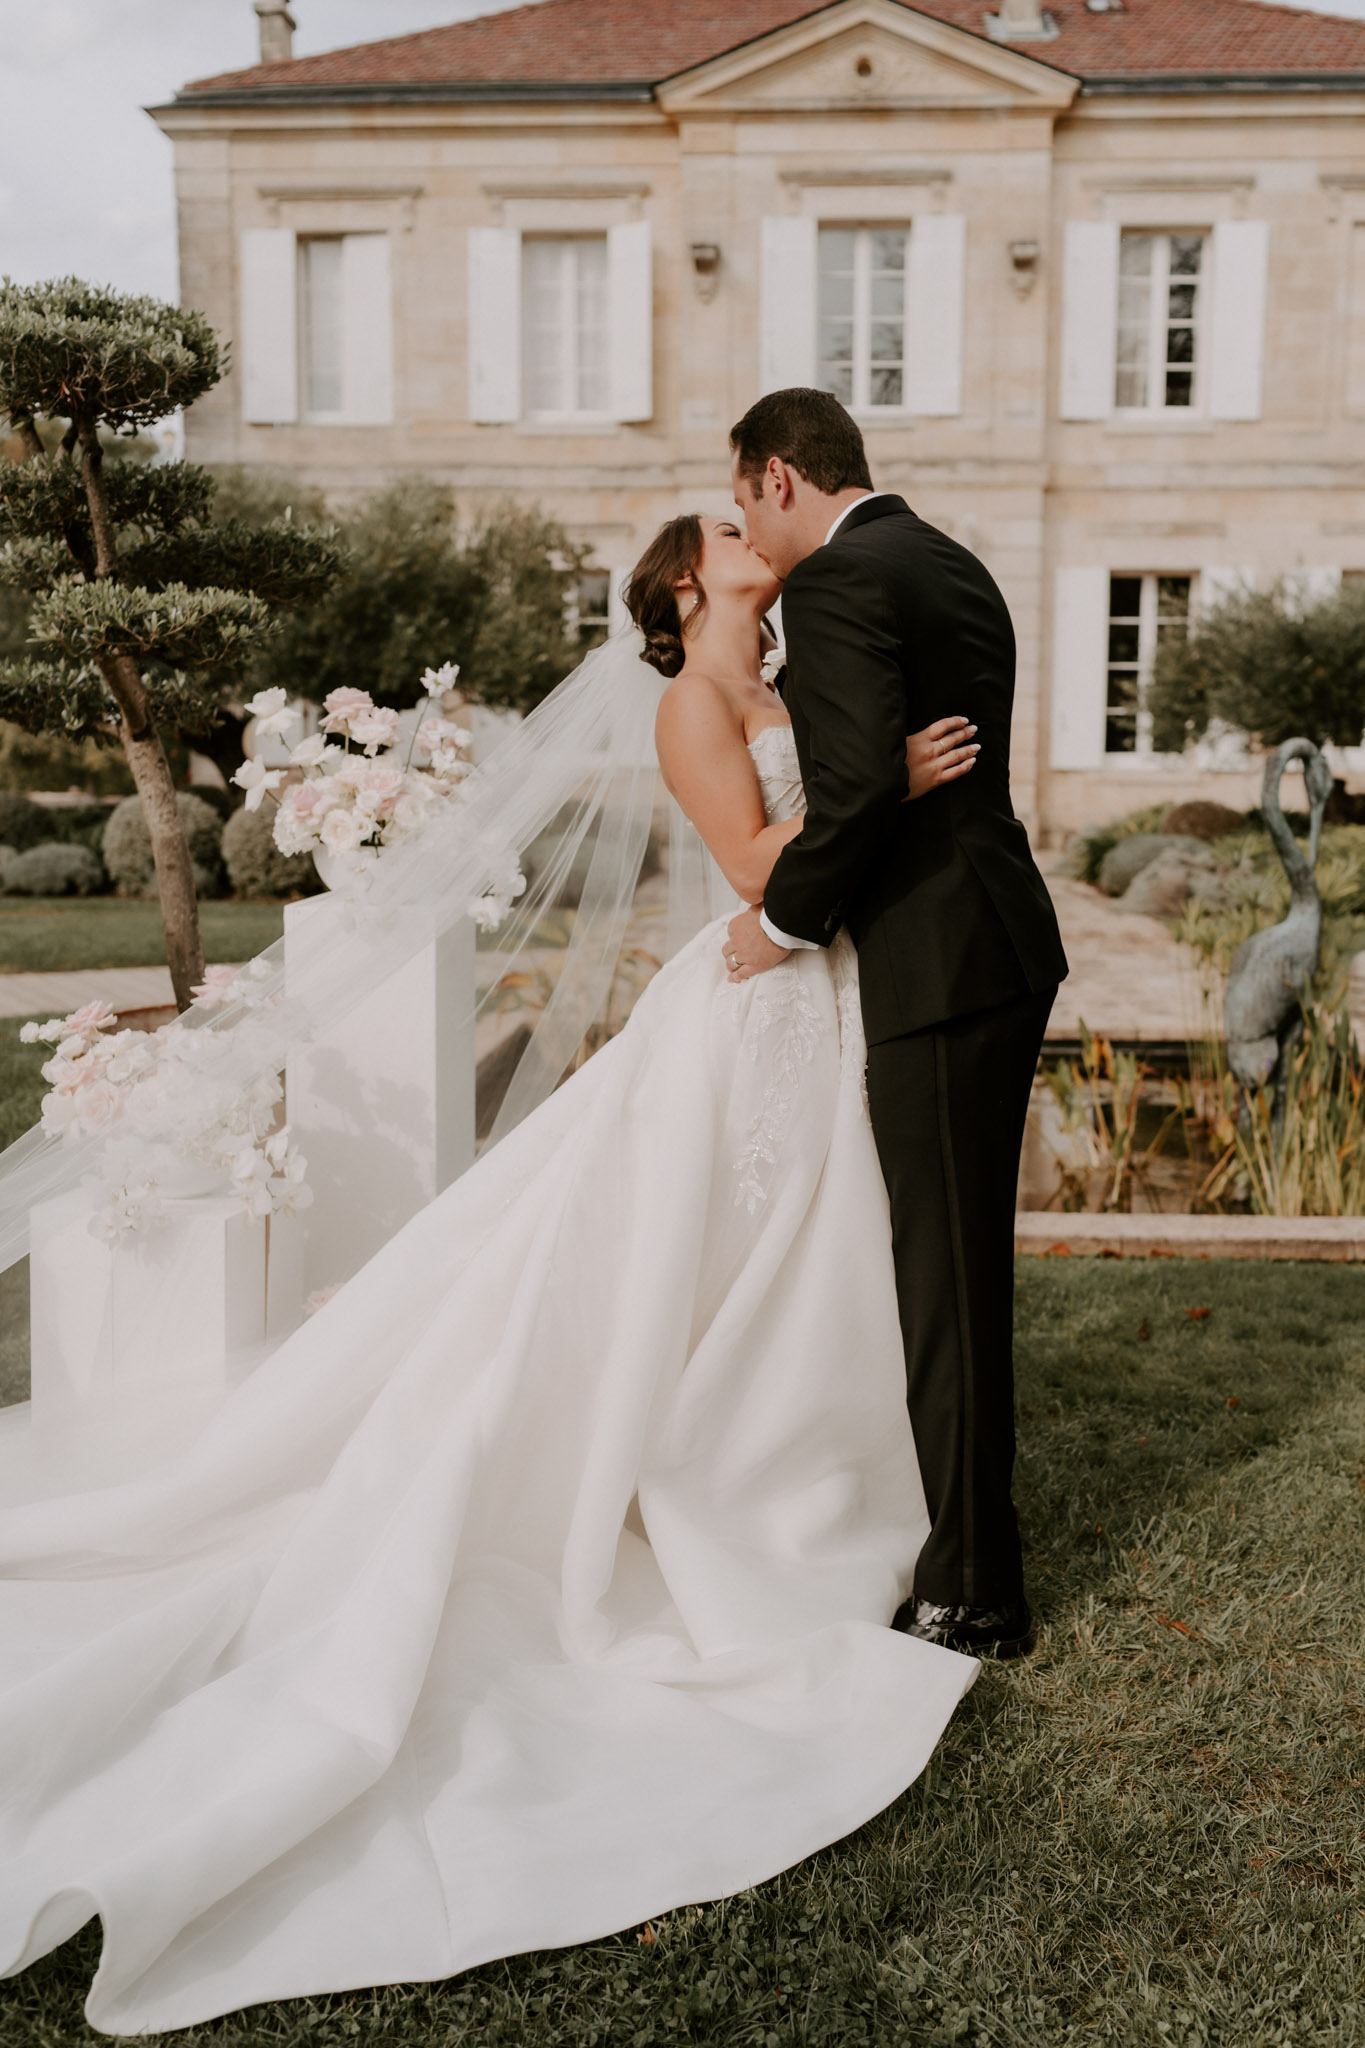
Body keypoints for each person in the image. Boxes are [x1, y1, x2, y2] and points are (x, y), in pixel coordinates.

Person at [0, 514, 982, 2037]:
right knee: (673, 1266)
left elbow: (832, 849)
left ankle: (799, 1467)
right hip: (742, 1010)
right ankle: (693, 1478)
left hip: (816, 1007)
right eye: (724, 530)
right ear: (677, 586)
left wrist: (880, 792)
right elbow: (752, 863)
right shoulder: (692, 705)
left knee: (793, 1267)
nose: (746, 533)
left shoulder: (797, 692)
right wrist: (892, 788)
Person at [723, 389, 1068, 1661]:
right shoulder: (952, 561)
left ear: (777, 476)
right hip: (991, 935)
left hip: (938, 955)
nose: (754, 534)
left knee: (950, 1271)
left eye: (750, 504)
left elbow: (859, 785)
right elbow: (901, 770)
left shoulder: (836, 579)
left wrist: (782, 924)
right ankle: (961, 1539)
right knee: (954, 1257)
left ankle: (975, 1584)